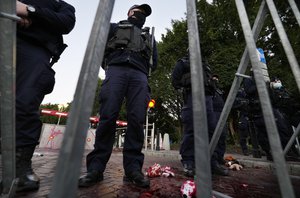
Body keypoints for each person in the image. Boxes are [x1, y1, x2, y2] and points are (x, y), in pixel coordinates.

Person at [78, 4, 157, 188]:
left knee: (137, 120)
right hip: (116, 69)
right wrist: (111, 65)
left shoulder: (150, 36)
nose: (141, 15)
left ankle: (132, 170)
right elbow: (99, 48)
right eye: (138, 11)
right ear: (130, 12)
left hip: (140, 75)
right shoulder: (114, 27)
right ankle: (95, 169)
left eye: (144, 14)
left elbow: (155, 61)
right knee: (108, 117)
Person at [15, 0, 75, 192]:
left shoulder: (61, 5)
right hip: (6, 35)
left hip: (36, 50)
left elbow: (66, 23)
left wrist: (29, 11)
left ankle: (20, 169)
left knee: (25, 103)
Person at [172, 54, 229, 177]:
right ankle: (188, 162)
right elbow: (175, 81)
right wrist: (184, 91)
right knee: (191, 130)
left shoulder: (205, 65)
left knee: (210, 130)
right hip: (191, 96)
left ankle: (211, 161)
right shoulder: (182, 63)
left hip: (208, 99)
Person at [211, 75, 228, 163]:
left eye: (217, 78)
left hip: (221, 114)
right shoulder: (210, 89)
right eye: (214, 78)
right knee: (215, 136)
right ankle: (215, 156)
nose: (216, 80)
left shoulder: (219, 91)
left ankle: (220, 156)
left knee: (222, 135)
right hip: (214, 113)